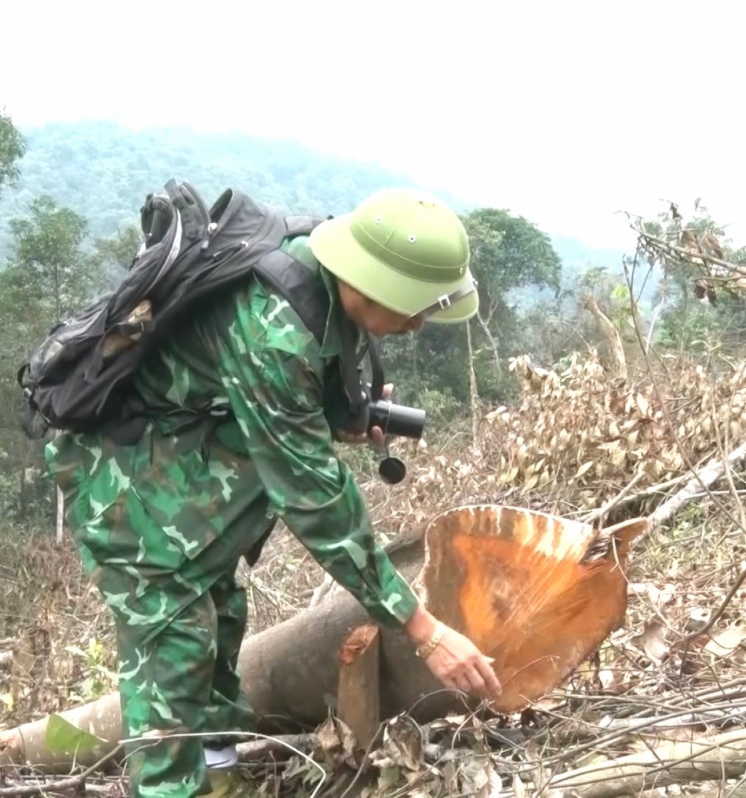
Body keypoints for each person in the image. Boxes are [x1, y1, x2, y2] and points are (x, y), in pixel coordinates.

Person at [45, 187, 502, 798]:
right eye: (413, 310)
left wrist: (342, 415)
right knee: (175, 657)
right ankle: (172, 789)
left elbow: (309, 387)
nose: (418, 324)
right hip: (132, 494)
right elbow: (316, 500)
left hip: (191, 477)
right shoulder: (273, 331)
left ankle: (220, 780)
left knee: (222, 626)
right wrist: (422, 628)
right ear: (371, 287)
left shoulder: (323, 271)